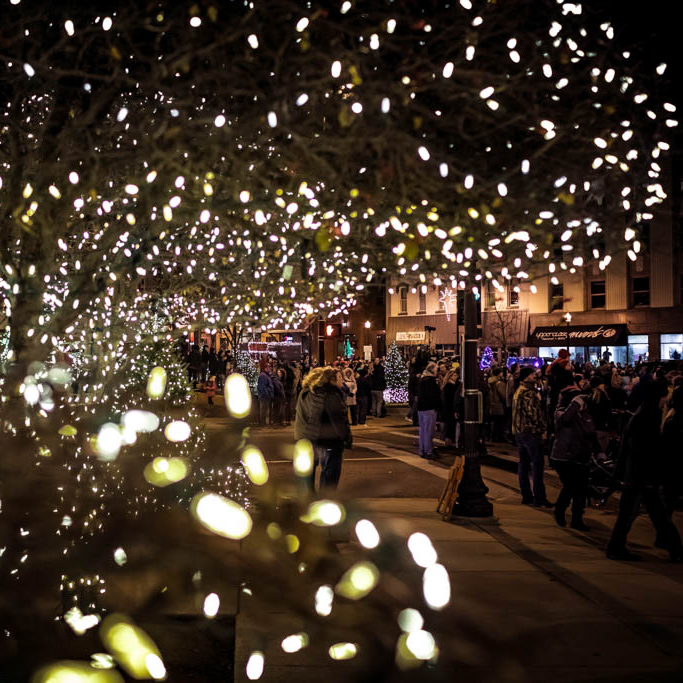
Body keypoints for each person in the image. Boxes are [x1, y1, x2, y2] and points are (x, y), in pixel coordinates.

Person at [607, 381, 683, 562]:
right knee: (650, 514)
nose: (667, 399)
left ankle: (674, 548)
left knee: (645, 514)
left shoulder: (644, 413)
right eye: (665, 395)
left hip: (638, 474)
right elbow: (646, 448)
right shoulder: (648, 416)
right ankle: (675, 549)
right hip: (642, 474)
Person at [550, 381, 599, 530]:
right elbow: (564, 419)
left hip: (580, 456)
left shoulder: (584, 415)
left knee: (581, 489)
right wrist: (575, 404)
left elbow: (591, 433)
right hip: (564, 457)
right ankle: (560, 510)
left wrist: (598, 451)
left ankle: (577, 518)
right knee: (571, 486)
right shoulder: (560, 412)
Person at [294, 367, 352, 490]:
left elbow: (301, 417)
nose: (342, 380)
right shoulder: (331, 395)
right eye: (339, 377)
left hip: (307, 438)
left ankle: (308, 502)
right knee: (329, 476)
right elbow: (337, 420)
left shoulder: (305, 393)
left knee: (307, 476)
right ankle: (325, 502)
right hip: (328, 439)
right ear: (331, 380)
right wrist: (346, 437)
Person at [512, 367, 551, 507]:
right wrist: (542, 429)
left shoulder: (519, 391)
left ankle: (526, 495)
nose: (535, 375)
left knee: (523, 464)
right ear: (526, 377)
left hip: (520, 431)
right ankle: (539, 497)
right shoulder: (529, 393)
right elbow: (534, 414)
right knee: (537, 464)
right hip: (530, 432)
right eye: (531, 374)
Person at [416, 362, 441, 459]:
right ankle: (428, 451)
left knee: (423, 430)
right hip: (429, 408)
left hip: (421, 408)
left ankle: (422, 450)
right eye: (436, 370)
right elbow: (435, 395)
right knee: (429, 431)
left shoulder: (422, 380)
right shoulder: (431, 381)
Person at [442, 369, 462, 447]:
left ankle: (450, 440)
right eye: (454, 375)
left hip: (450, 408)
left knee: (451, 425)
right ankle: (449, 440)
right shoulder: (449, 386)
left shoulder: (454, 385)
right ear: (450, 376)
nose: (456, 376)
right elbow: (449, 399)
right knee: (450, 426)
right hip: (449, 409)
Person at [487, 367, 507, 442]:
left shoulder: (489, 382)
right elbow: (503, 395)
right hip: (498, 404)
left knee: (494, 422)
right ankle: (498, 437)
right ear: (499, 374)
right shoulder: (500, 383)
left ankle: (493, 436)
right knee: (499, 422)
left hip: (492, 404)